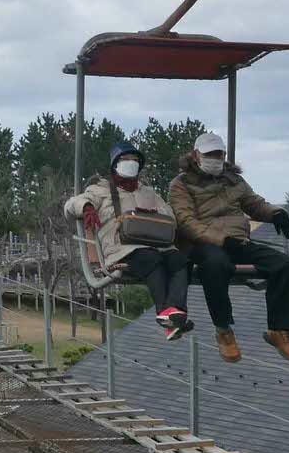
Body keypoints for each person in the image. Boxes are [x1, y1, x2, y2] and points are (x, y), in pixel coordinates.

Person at [169, 131, 289, 364]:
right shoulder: (181, 184)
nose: (215, 158)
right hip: (201, 243)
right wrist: (220, 240)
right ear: (196, 155)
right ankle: (224, 330)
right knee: (216, 264)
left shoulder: (234, 180)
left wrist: (276, 213)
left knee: (284, 264)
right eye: (210, 154)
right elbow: (186, 222)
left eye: (218, 154)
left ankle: (279, 330)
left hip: (237, 240)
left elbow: (254, 203)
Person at [64, 142, 193, 340]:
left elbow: (170, 217)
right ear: (115, 165)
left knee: (180, 261)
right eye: (125, 160)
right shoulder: (101, 190)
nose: (130, 164)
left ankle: (175, 312)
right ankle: (165, 311)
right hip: (123, 248)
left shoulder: (148, 192)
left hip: (156, 244)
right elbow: (71, 204)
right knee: (152, 260)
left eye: (134, 161)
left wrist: (153, 216)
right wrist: (87, 207)